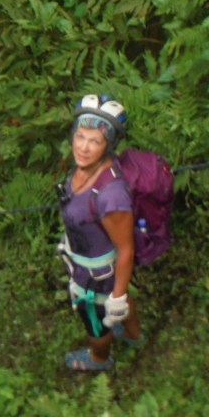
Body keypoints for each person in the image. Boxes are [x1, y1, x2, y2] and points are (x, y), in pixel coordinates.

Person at [56, 95, 143, 372]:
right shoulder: (85, 168)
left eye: (95, 141)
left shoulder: (111, 196)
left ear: (108, 146)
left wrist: (116, 298)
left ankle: (99, 358)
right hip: (95, 263)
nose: (83, 147)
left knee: (95, 322)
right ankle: (133, 335)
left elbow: (126, 248)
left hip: (95, 279)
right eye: (80, 136)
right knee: (116, 303)